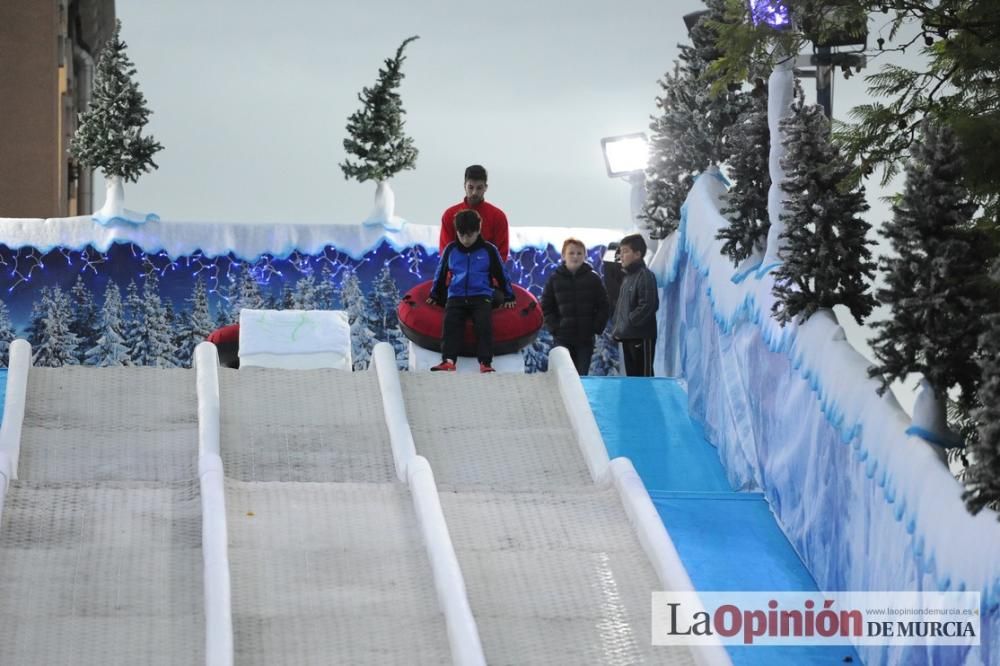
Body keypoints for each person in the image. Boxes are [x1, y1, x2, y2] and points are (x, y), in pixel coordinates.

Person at [427, 209, 515, 373]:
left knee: (484, 324)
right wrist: (435, 294)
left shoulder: (489, 250)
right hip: (456, 295)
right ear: (457, 231)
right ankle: (448, 360)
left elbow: (501, 273)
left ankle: (485, 362)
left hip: (481, 296)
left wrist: (509, 295)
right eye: (462, 234)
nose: (466, 239)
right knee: (450, 323)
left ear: (478, 230)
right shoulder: (451, 249)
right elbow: (440, 273)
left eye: (470, 234)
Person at [541, 238, 610, 375]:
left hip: (585, 339)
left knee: (581, 376)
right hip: (562, 338)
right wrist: (554, 327)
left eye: (579, 253)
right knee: (564, 376)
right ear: (563, 255)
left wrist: (596, 326)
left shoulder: (593, 279)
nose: (575, 256)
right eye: (571, 253)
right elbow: (546, 306)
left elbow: (604, 305)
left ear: (585, 256)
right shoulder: (555, 279)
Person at [440, 164, 510, 262]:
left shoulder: (498, 217)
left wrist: (491, 276)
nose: (474, 192)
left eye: (479, 188)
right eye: (471, 187)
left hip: (487, 275)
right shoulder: (449, 215)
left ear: (486, 187)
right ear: (464, 186)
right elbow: (445, 253)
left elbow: (501, 255)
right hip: (455, 275)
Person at [611, 233, 658, 377]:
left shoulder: (644, 275)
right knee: (632, 378)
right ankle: (636, 400)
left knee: (643, 377)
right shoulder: (627, 278)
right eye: (620, 252)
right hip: (628, 336)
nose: (621, 256)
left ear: (637, 254)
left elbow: (649, 304)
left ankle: (647, 400)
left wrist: (631, 321)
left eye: (625, 251)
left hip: (641, 337)